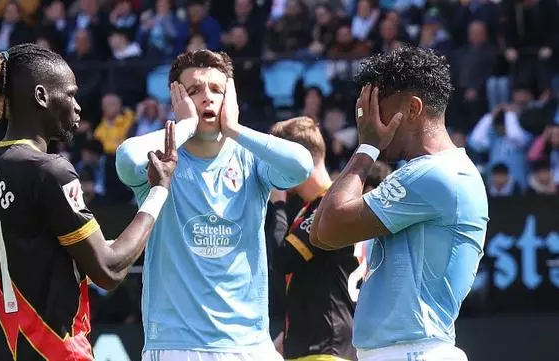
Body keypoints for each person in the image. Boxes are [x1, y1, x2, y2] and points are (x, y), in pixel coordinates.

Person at [0, 43, 178, 361]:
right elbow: (109, 270)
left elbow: (32, 256)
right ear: (41, 97)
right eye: (70, 94)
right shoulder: (49, 169)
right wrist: (157, 191)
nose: (78, 107)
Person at [115, 49, 314, 361]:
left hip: (250, 345)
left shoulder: (249, 158)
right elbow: (126, 160)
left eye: (217, 89)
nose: (206, 97)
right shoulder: (162, 160)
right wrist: (184, 126)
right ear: (177, 102)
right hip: (178, 346)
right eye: (194, 90)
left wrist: (235, 129)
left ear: (230, 99)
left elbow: (301, 165)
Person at [309, 46, 489, 361]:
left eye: (378, 109)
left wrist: (366, 147)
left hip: (413, 352)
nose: (369, 120)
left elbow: (329, 228)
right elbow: (320, 234)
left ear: (413, 108)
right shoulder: (425, 172)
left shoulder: (436, 175)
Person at [267, 116, 358, 361]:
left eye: (277, 161)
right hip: (318, 346)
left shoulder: (328, 206)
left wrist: (277, 202)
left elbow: (283, 259)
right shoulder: (317, 206)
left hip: (325, 349)